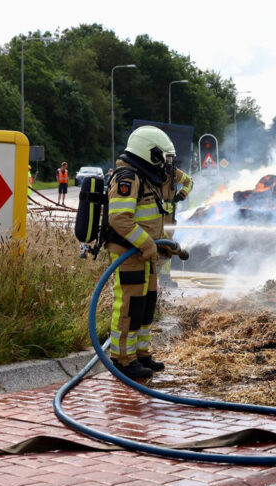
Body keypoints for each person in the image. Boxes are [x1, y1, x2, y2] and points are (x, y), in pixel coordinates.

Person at [106, 126, 178, 379]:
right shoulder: (127, 178)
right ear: (150, 153)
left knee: (146, 304)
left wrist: (163, 244)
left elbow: (160, 212)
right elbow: (120, 219)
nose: (167, 164)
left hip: (146, 253)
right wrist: (148, 244)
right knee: (130, 305)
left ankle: (141, 353)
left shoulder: (149, 176)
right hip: (129, 252)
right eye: (163, 157)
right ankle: (123, 359)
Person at [158, 160, 193, 288]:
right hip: (152, 215)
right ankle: (154, 277)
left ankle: (164, 278)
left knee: (166, 245)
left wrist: (180, 196)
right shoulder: (144, 170)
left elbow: (189, 182)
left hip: (167, 216)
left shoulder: (172, 172)